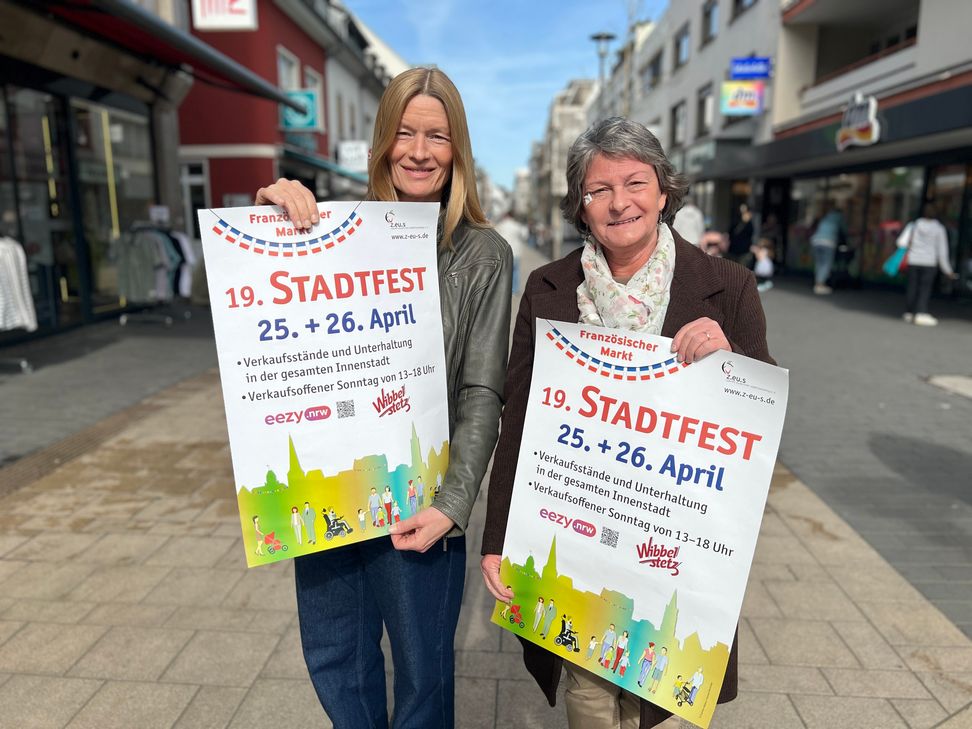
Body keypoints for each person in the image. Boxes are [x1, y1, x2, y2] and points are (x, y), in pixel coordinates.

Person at [481, 117, 772, 728]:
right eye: (598, 191)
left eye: (636, 183)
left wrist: (733, 359)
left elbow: (761, 419)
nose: (619, 203)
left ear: (664, 191)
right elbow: (520, 417)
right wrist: (498, 537)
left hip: (672, 545)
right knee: (589, 696)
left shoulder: (729, 287)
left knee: (660, 699)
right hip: (583, 538)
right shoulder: (548, 287)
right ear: (579, 207)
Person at [255, 66, 512, 729]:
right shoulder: (327, 233)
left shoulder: (483, 254)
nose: (419, 151)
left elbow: (482, 393)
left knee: (423, 675)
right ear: (381, 141)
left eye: (438, 135)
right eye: (404, 133)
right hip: (328, 492)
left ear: (459, 149)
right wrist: (267, 224)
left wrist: (453, 506)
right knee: (335, 657)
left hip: (417, 500)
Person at [900, 202, 957, 326]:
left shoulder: (914, 225)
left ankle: (909, 312)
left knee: (912, 287)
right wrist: (948, 270)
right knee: (924, 289)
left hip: (913, 259)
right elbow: (942, 251)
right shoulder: (939, 229)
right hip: (929, 262)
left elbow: (901, 242)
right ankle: (920, 312)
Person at [810, 203, 846, 294]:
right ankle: (820, 284)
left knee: (819, 263)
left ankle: (817, 282)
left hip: (816, 241)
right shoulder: (839, 217)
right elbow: (844, 230)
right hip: (828, 242)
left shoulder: (825, 218)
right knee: (826, 264)